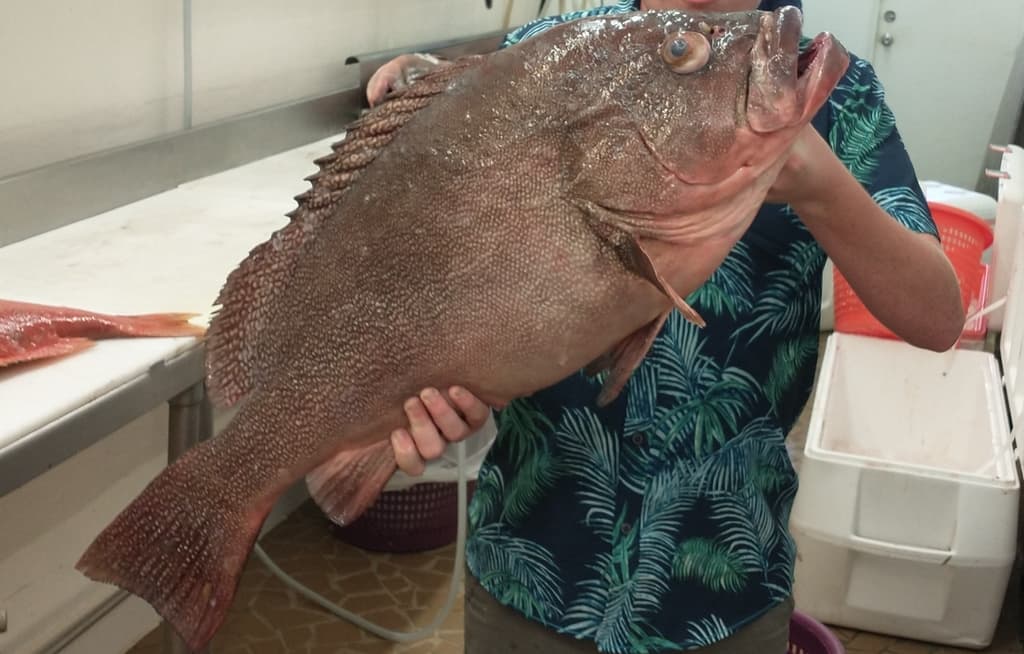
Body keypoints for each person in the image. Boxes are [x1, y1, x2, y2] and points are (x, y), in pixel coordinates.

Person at [374, 1, 965, 651]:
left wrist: (822, 186)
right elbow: (442, 252)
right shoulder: (546, 48)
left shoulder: (825, 84)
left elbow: (937, 319)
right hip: (527, 567)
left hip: (724, 585)